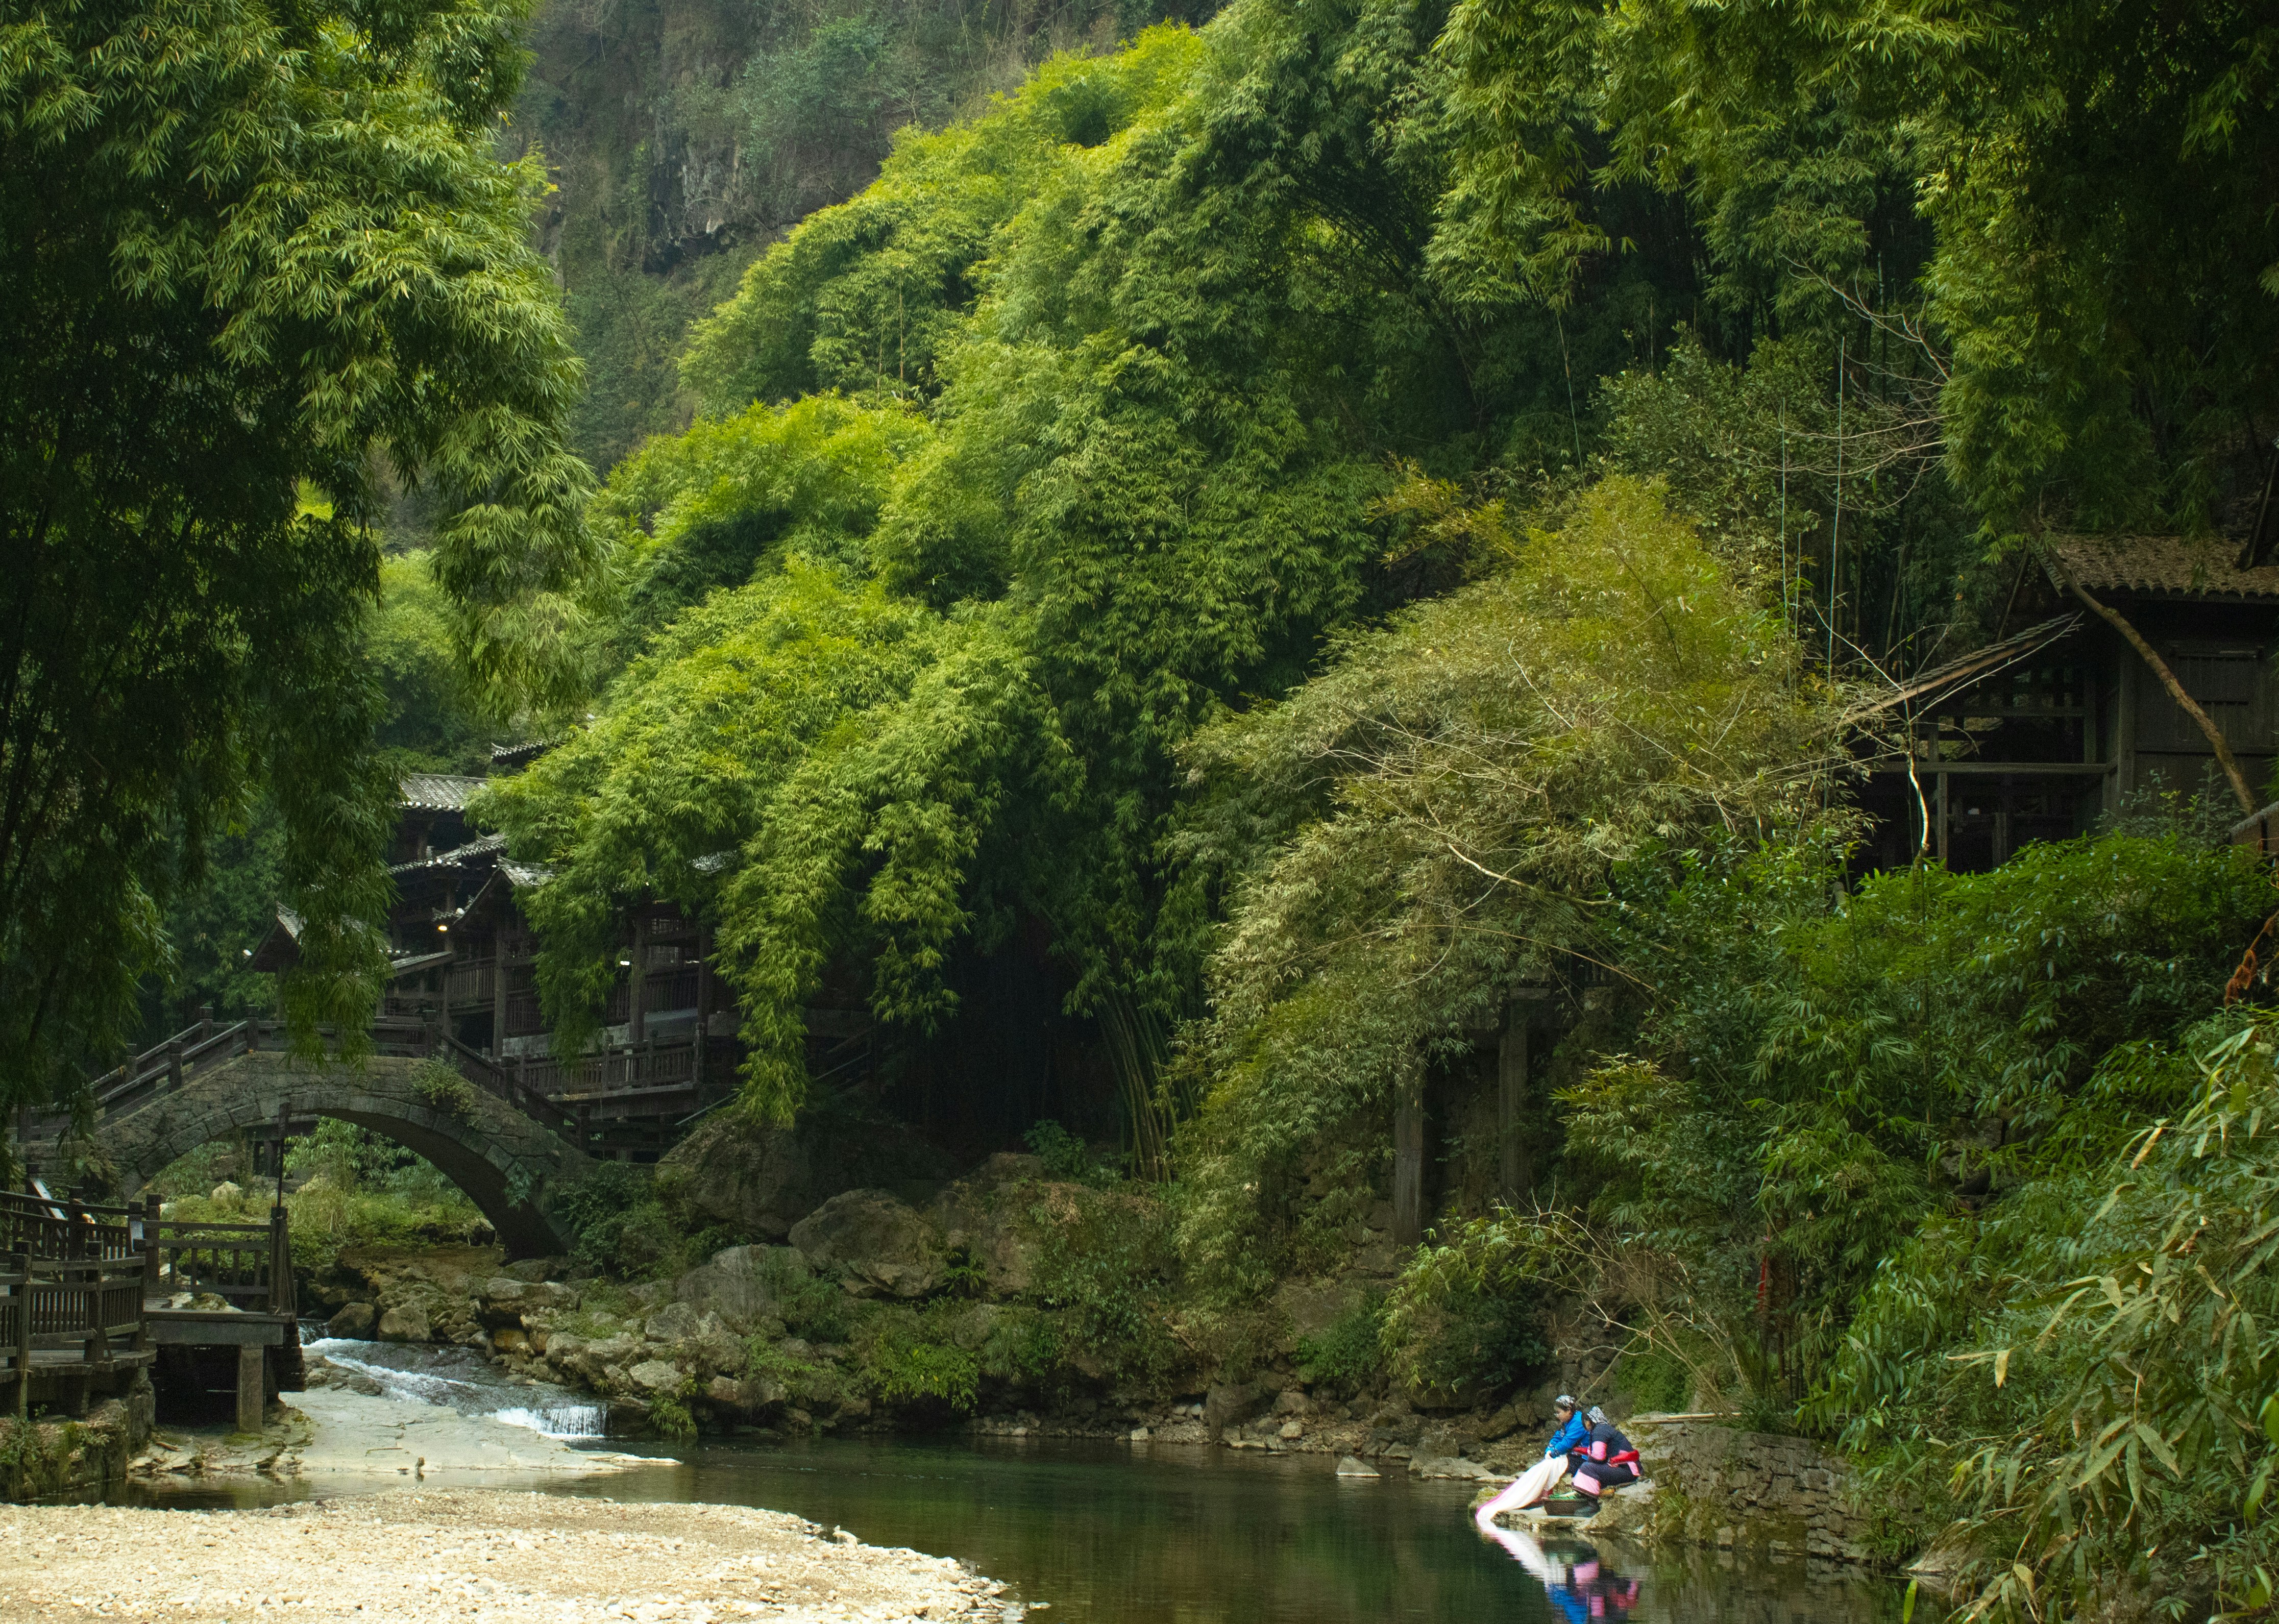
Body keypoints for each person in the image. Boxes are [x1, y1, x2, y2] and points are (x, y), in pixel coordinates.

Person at [1472, 1396, 1588, 1528]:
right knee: (1545, 1465)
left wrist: (1553, 1453)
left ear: (1569, 1411)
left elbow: (1567, 1443)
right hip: (1570, 1456)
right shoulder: (1567, 1421)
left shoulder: (1578, 1422)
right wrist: (1549, 1450)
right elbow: (1557, 1438)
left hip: (1581, 1459)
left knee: (1550, 1465)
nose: (1557, 1416)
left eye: (1559, 1413)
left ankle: (1537, 1494)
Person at [1570, 1407, 1643, 1499]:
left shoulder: (1600, 1431)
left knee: (1587, 1467)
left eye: (1585, 1421)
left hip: (1628, 1471)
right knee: (1589, 1467)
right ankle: (1589, 1497)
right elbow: (1593, 1452)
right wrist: (1576, 1450)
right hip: (1624, 1469)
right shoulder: (1603, 1429)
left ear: (1589, 1421)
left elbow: (1598, 1457)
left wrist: (1589, 1462)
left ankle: (1592, 1501)